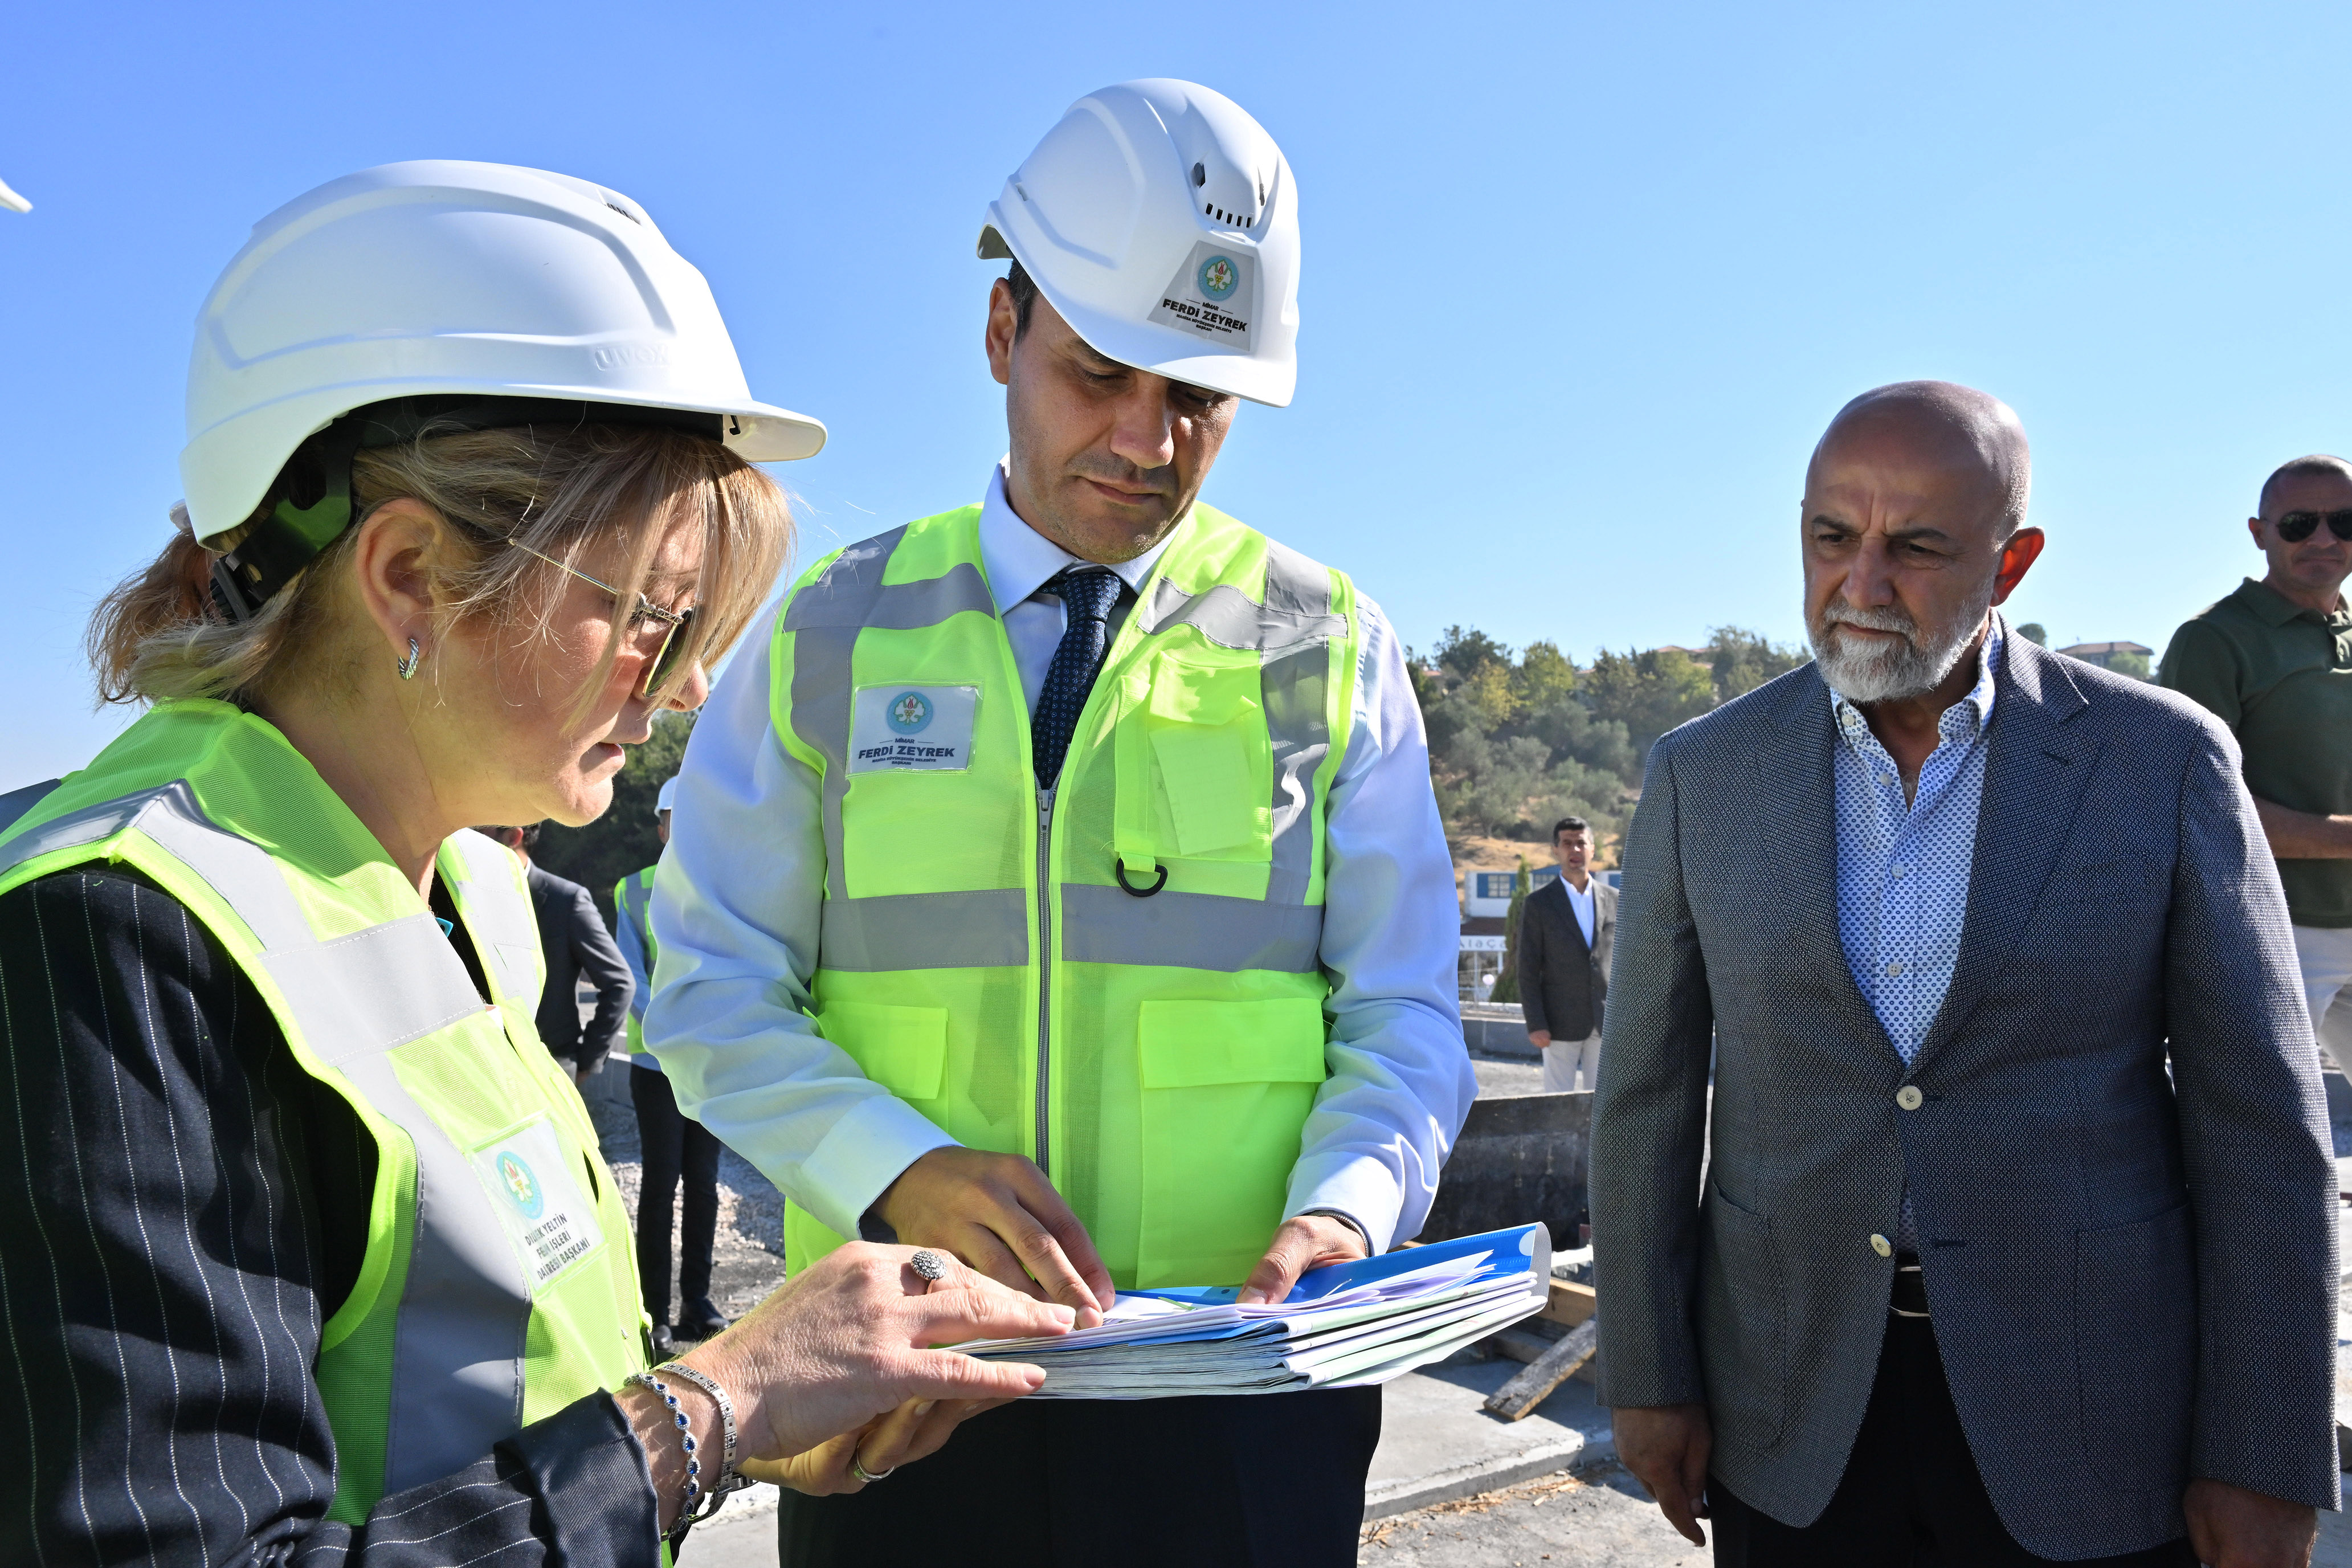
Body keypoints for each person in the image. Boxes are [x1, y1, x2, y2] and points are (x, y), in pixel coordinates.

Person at [0, 160, 1076, 1565]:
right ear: (409, 579)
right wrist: (707, 1407)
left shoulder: (496, 907)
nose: (681, 690)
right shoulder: (112, 941)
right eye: (647, 615)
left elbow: (481, 1365)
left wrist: (721, 1434)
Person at [647, 80, 1476, 1567]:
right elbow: (710, 984)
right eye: (1101, 374)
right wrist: (890, 1167)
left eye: (1199, 402)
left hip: (1241, 1399)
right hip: (906, 1394)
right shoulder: (829, 637)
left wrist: (1348, 1217)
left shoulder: (1330, 645)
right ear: (998, 335)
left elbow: (1405, 1012)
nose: (1147, 442)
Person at [1589, 381, 2338, 1566]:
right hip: (1790, 1416)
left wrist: (2264, 1451)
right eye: (1833, 537)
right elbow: (1643, 1104)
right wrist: (1647, 1373)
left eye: (1918, 546)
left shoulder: (2162, 762)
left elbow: (2260, 1130)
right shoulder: (1704, 775)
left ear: (2012, 561)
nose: (1864, 583)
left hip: (2089, 1424)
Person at [2158, 455, 2352, 1074]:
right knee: (2265, 1132)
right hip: (2276, 928)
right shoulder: (2213, 641)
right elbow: (2196, 805)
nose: (2323, 538)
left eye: (2343, 520)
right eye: (2298, 523)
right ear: (2258, 532)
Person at [616, 777, 728, 1355]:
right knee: (661, 1185)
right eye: (671, 817)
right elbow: (629, 975)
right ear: (660, 823)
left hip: (706, 1061)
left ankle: (697, 1302)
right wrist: (672, 1027)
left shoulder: (721, 887)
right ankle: (655, 1310)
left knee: (703, 1184)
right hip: (657, 1062)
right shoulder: (632, 890)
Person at [484, 820, 634, 1084]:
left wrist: (586, 1062)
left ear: (513, 837)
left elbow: (620, 984)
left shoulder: (565, 900)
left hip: (550, 1067)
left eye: (479, 832)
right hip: (484, 1066)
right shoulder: (464, 894)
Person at [1518, 814, 1616, 1092]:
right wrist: (1536, 1023)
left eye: (1581, 843)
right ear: (1556, 850)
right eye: (1567, 843)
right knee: (1557, 1103)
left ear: (1592, 849)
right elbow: (1527, 968)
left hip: (1605, 1022)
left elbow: (1626, 964)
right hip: (1558, 1026)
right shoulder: (1539, 904)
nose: (1575, 850)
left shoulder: (1615, 900)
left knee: (1603, 1104)